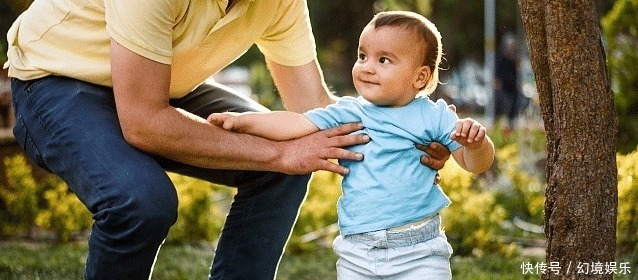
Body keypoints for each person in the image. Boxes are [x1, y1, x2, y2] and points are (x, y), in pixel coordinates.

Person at [3, 1, 452, 279]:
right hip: (56, 80)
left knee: (282, 169)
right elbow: (143, 121)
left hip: (162, 84)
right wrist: (280, 152)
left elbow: (313, 108)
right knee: (140, 201)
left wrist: (405, 138)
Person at [208, 11, 495, 279]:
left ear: (419, 76)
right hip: (358, 251)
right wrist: (245, 121)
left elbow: (475, 164)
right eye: (362, 56)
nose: (367, 67)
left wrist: (476, 144)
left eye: (384, 60)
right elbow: (296, 124)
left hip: (419, 250)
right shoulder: (348, 112)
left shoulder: (435, 116)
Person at [494, 33, 521, 132]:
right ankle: (497, 126)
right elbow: (497, 71)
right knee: (502, 106)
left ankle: (511, 126)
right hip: (503, 87)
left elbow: (517, 71)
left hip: (513, 87)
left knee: (513, 108)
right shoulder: (501, 57)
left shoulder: (515, 57)